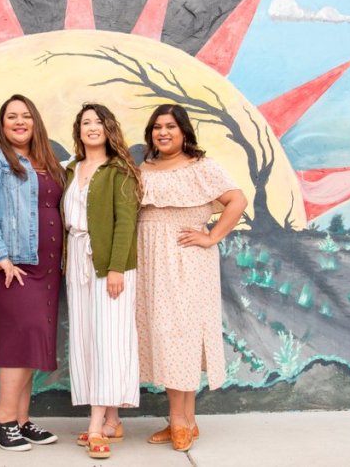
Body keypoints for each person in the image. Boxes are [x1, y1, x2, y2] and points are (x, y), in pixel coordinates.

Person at [136, 103, 246, 452]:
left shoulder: (202, 167)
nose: (163, 132)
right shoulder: (144, 169)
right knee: (166, 338)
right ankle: (186, 420)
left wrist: (212, 236)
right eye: (157, 127)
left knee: (181, 336)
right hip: (151, 263)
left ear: (184, 131)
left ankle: (179, 421)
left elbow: (237, 200)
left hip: (187, 262)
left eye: (170, 126)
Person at [0, 94, 66, 452]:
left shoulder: (46, 161)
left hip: (45, 267)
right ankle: (4, 416)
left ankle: (22, 419)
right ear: (2, 123)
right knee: (20, 337)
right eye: (12, 116)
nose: (20, 122)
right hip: (9, 266)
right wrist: (1, 255)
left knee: (33, 339)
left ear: (35, 121)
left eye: (26, 116)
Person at [63, 103, 142, 460]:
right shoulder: (71, 169)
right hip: (77, 262)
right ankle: (112, 420)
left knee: (108, 340)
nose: (92, 127)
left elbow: (126, 222)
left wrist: (116, 268)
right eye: (85, 122)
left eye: (98, 122)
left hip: (110, 265)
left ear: (109, 128)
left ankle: (95, 427)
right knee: (87, 338)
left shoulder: (120, 170)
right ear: (78, 131)